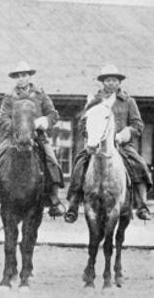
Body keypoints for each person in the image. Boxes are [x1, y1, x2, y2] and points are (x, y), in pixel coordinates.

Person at [65, 64, 152, 222]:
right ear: (103, 82)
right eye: (108, 80)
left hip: (122, 144)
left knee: (140, 165)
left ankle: (141, 205)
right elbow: (83, 123)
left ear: (119, 82)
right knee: (79, 164)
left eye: (114, 80)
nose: (111, 83)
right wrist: (91, 136)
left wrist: (124, 134)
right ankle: (73, 204)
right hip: (97, 144)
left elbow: (138, 125)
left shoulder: (128, 101)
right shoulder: (95, 101)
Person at [0, 61, 66, 217]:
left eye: (24, 75)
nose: (21, 79)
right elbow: (2, 118)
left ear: (29, 76)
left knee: (52, 160)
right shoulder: (9, 97)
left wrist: (43, 122)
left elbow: (53, 115)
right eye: (18, 76)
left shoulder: (40, 95)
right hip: (14, 137)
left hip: (37, 137)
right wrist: (15, 127)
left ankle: (54, 198)